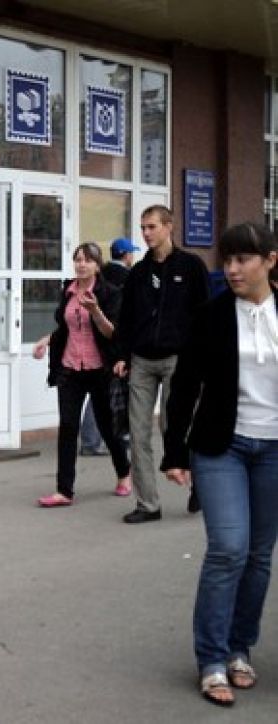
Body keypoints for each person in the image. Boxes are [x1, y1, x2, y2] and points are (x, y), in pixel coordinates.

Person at [160, 222, 278, 707]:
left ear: (270, 259)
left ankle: (237, 649)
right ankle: (211, 659)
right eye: (226, 260)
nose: (231, 269)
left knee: (258, 555)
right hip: (221, 447)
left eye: (242, 260)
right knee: (228, 548)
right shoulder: (211, 316)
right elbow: (185, 386)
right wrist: (174, 451)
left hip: (274, 449)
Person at [113, 205, 209, 523]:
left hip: (177, 361)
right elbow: (126, 319)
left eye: (152, 226)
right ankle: (148, 505)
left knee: (175, 430)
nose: (146, 233)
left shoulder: (192, 267)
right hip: (142, 360)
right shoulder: (138, 273)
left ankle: (200, 485)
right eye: (143, 227)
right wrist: (121, 356)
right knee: (138, 434)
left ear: (169, 226)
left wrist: (200, 359)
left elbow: (204, 315)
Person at [32, 242, 132, 506]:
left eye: (87, 260)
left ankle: (124, 473)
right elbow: (66, 329)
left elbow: (113, 333)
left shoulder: (109, 293)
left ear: (97, 265)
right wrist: (46, 340)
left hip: (99, 369)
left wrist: (95, 311)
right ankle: (64, 491)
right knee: (68, 428)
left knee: (108, 428)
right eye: (77, 259)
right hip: (70, 368)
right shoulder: (68, 291)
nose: (81, 264)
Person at [79, 236, 140, 455]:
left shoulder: (100, 275)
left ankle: (95, 439)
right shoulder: (129, 277)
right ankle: (98, 441)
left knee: (101, 392)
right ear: (126, 255)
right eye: (131, 253)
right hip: (116, 340)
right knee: (110, 392)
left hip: (96, 339)